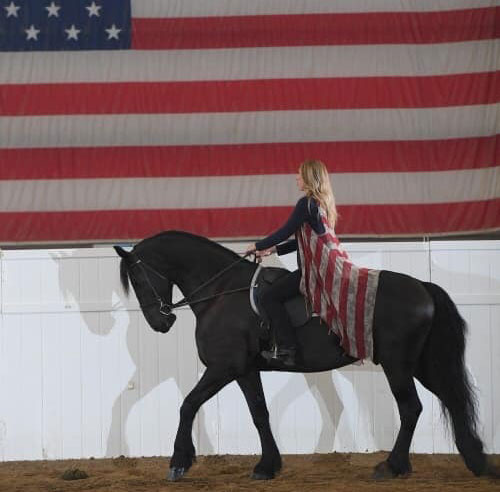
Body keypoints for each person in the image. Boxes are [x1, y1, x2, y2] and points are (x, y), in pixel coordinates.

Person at [246, 159, 339, 366]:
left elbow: (285, 231)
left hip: (313, 272)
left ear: (308, 177)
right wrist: (273, 249)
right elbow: (301, 241)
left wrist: (258, 244)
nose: (296, 177)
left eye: (299, 174)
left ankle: (288, 349)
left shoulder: (305, 203)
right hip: (327, 268)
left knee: (269, 297)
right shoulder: (322, 205)